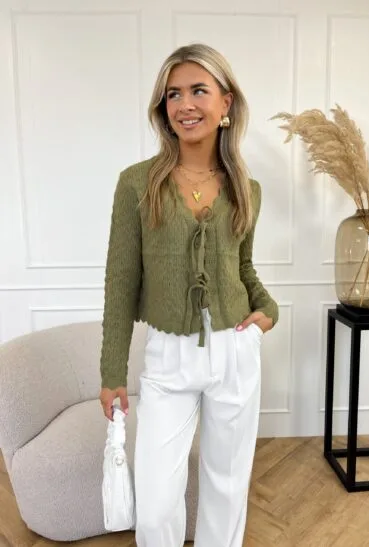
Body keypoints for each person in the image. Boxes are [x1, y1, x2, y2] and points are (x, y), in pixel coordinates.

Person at [99, 42, 279, 547]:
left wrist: (267, 310)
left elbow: (242, 268)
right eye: (173, 94)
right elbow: (120, 281)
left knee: (227, 486)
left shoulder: (246, 189)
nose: (184, 104)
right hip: (169, 357)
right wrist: (112, 372)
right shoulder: (137, 184)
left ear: (226, 103)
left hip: (235, 350)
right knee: (157, 501)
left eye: (199, 90)